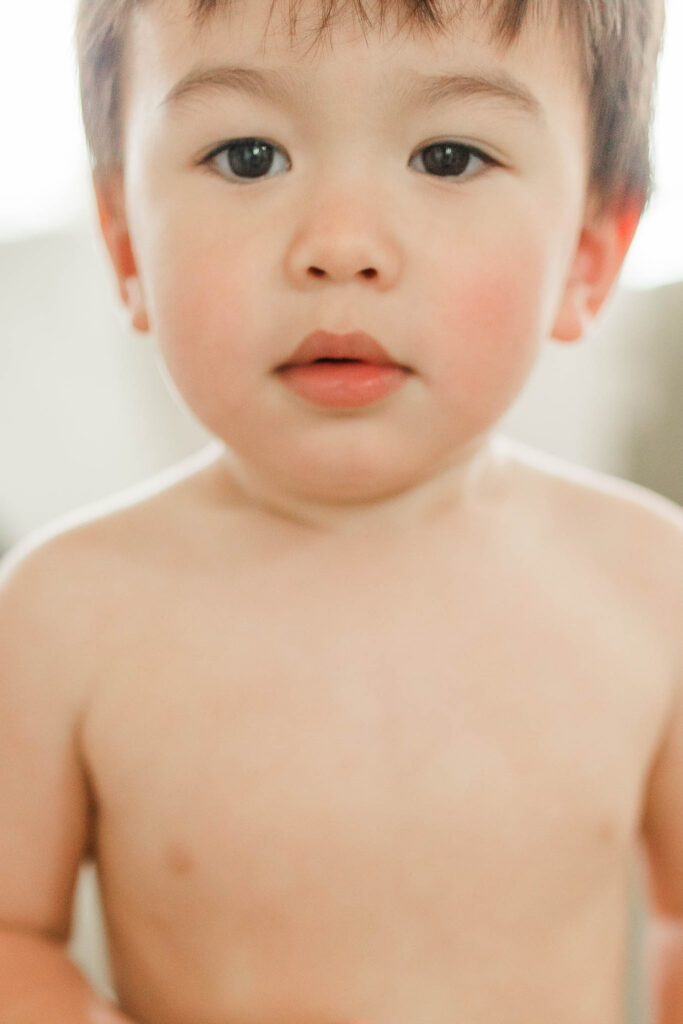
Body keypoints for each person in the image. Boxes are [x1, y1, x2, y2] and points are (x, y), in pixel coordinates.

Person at [0, 0, 681, 1021]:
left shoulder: (646, 579)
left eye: (447, 156)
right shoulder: (67, 609)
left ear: (588, 252)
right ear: (125, 241)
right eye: (245, 155)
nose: (339, 245)